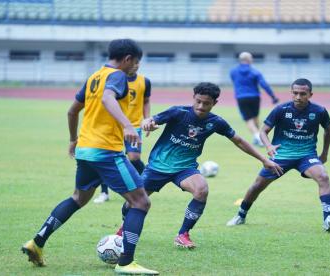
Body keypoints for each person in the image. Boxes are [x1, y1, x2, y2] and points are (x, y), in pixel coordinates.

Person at [21, 39, 158, 275]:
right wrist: (127, 125)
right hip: (106, 151)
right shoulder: (117, 76)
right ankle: (126, 262)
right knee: (141, 202)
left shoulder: (94, 77)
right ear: (127, 59)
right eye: (136, 62)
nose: (136, 67)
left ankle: (37, 242)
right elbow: (108, 99)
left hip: (85, 149)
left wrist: (73, 139)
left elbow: (72, 110)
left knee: (78, 198)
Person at [116, 82, 283, 249]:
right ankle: (125, 227)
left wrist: (263, 159)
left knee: (201, 189)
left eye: (206, 103)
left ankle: (182, 234)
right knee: (133, 202)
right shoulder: (178, 112)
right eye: (198, 101)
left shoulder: (216, 122)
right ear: (193, 98)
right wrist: (148, 122)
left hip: (185, 168)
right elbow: (153, 120)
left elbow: (239, 141)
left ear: (214, 103)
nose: (201, 106)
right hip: (157, 167)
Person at [226, 78, 330, 233]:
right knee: (257, 186)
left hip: (306, 156)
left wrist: (324, 153)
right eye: (295, 93)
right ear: (291, 93)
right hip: (281, 156)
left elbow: (328, 130)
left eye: (303, 93)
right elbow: (263, 131)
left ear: (310, 94)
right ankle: (241, 215)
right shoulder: (281, 109)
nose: (298, 97)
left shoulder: (319, 111)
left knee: (323, 177)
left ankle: (328, 219)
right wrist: (268, 146)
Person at [94, 63, 151, 204]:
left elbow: (146, 101)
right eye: (133, 62)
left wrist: (147, 119)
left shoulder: (145, 81)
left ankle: (147, 183)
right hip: (114, 126)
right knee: (106, 158)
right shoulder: (115, 80)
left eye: (138, 62)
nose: (135, 65)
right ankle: (104, 193)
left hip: (135, 125)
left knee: (134, 157)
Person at [230, 52, 279, 147]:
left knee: (248, 120)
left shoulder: (233, 71)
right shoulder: (255, 72)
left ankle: (257, 137)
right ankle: (258, 137)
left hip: (241, 97)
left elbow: (234, 82)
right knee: (255, 117)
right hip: (255, 97)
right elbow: (264, 84)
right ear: (249, 60)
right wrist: (273, 96)